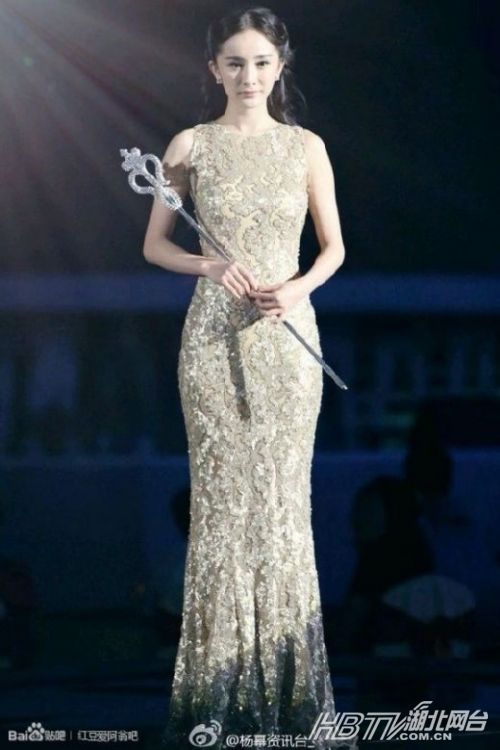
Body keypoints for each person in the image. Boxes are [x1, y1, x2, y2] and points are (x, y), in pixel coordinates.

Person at [142, 6, 352, 748]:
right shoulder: (190, 145)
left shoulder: (306, 147)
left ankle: (294, 695)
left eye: (261, 62)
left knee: (282, 508)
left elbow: (333, 248)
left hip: (287, 344)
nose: (249, 75)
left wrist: (296, 288)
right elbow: (155, 245)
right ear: (214, 70)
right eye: (235, 62)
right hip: (211, 342)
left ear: (280, 67)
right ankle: (215, 695)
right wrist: (208, 263)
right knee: (223, 512)